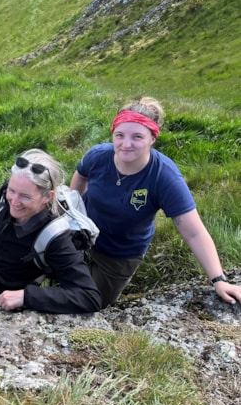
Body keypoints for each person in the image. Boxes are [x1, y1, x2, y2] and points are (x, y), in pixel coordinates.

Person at [70, 96, 241, 308]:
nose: (126, 144)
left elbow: (194, 232)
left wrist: (219, 280)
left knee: (89, 304)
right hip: (83, 237)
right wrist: (73, 215)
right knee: (63, 281)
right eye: (119, 135)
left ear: (152, 138)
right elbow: (80, 176)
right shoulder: (97, 156)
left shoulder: (164, 177)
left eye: (137, 137)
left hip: (118, 255)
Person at [0, 149, 101, 314]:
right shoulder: (7, 194)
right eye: (12, 191)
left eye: (25, 196)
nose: (14, 202)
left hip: (9, 287)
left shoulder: (55, 237)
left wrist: (26, 296)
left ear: (48, 196)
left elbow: (88, 296)